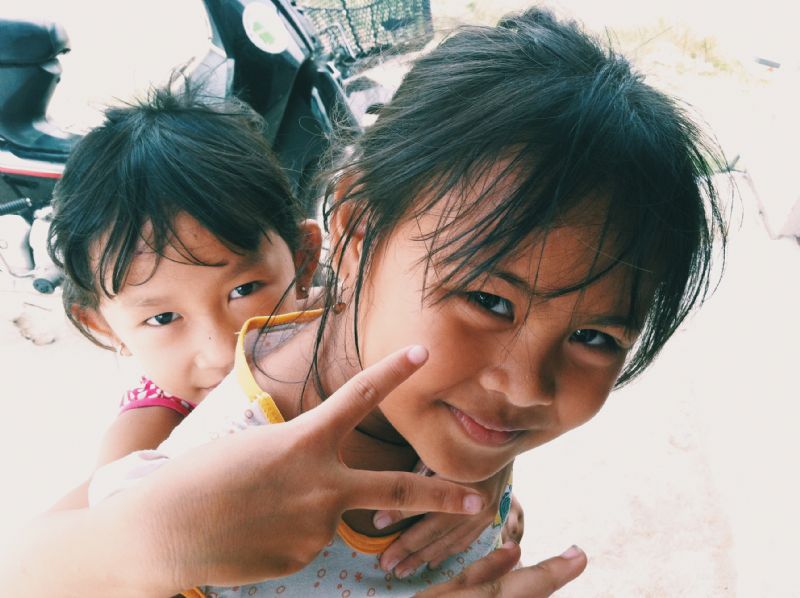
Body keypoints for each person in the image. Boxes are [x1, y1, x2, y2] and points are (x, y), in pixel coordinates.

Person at [86, 6, 727, 596]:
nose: (526, 386)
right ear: (358, 232)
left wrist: (488, 471)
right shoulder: (213, 496)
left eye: (594, 338)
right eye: (489, 301)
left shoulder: (434, 399)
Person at [1, 83, 536, 596]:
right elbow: (59, 561)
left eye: (244, 289)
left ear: (303, 259)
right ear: (103, 326)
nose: (220, 346)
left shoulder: (341, 325)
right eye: (163, 318)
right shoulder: (154, 431)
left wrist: (484, 470)